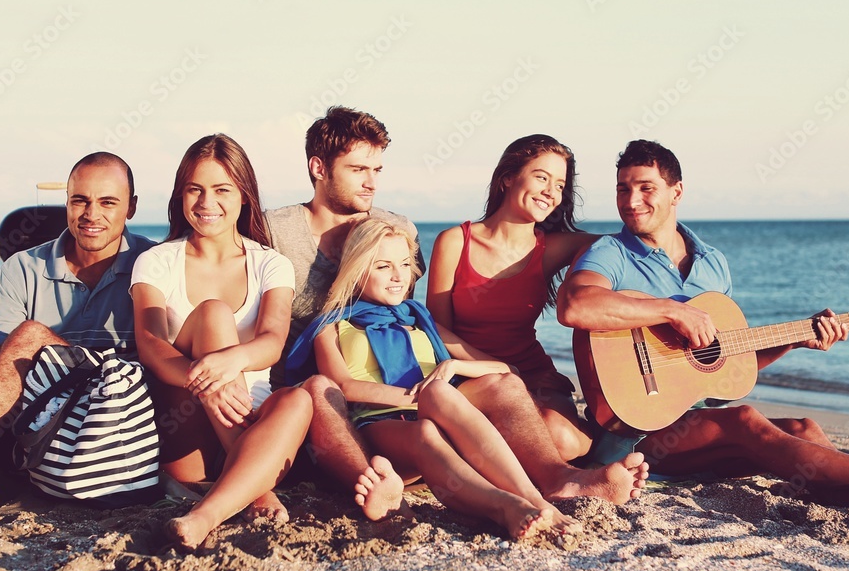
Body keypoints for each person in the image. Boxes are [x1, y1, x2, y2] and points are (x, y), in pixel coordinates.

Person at [266, 107, 648, 513]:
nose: (371, 182)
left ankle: (558, 480)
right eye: (359, 169)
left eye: (377, 169)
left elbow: (419, 331)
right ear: (318, 167)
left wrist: (664, 293)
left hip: (424, 389)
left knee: (526, 409)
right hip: (334, 401)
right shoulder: (275, 230)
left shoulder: (396, 229)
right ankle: (382, 479)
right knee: (325, 393)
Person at [557, 139, 849, 508]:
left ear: (676, 192)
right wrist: (674, 311)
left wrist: (796, 338)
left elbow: (721, 367)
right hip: (636, 432)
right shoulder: (610, 252)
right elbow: (575, 306)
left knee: (803, 429)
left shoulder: (713, 263)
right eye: (623, 189)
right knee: (744, 419)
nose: (631, 201)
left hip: (696, 426)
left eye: (646, 188)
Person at [291, 218, 582, 539]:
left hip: (444, 414)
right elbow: (342, 386)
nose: (399, 276)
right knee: (430, 418)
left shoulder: (418, 318)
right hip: (381, 428)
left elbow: (503, 370)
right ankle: (503, 506)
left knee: (457, 398)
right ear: (357, 269)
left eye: (404, 264)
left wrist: (454, 368)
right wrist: (422, 395)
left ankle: (534, 499)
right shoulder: (333, 324)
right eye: (384, 266)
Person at [0, 153, 155, 509]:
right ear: (67, 202)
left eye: (108, 202)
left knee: (29, 337)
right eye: (80, 201)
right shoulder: (24, 266)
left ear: (131, 207)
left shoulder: (153, 264)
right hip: (33, 415)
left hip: (113, 417)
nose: (91, 214)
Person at [130, 134, 312, 551]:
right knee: (213, 313)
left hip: (256, 423)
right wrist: (203, 380)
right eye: (195, 189)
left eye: (221, 189)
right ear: (181, 195)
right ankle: (254, 488)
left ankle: (207, 514)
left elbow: (272, 342)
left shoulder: (270, 263)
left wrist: (229, 363)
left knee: (300, 401)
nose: (206, 202)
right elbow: (152, 346)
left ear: (244, 196)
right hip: (188, 428)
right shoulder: (157, 261)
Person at [427, 134, 600, 461]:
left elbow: (627, 248)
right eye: (541, 177)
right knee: (519, 437)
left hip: (534, 374)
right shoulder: (455, 241)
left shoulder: (550, 249)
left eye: (560, 185)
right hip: (470, 375)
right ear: (508, 178)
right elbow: (436, 328)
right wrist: (498, 368)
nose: (551, 191)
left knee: (564, 439)